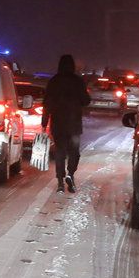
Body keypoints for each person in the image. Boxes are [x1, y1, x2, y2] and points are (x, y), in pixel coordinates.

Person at [40, 54, 91, 192]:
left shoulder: (54, 81)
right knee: (74, 151)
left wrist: (44, 122)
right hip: (74, 124)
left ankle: (60, 181)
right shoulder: (77, 81)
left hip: (58, 124)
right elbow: (86, 100)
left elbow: (47, 103)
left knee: (60, 151)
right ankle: (70, 173)